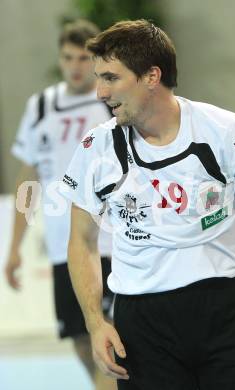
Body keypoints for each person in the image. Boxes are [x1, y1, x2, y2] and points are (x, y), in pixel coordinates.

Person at [63, 19, 235, 390]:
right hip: (141, 324)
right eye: (99, 78)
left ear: (151, 76)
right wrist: (95, 322)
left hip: (223, 312)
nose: (99, 92)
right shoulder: (96, 148)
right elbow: (82, 241)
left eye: (111, 78)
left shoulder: (227, 133)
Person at [5, 20, 116, 390]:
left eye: (84, 57)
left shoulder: (112, 101)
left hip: (112, 241)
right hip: (61, 245)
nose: (76, 66)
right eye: (68, 57)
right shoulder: (40, 107)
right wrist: (14, 247)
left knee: (113, 341)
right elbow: (27, 179)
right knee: (81, 341)